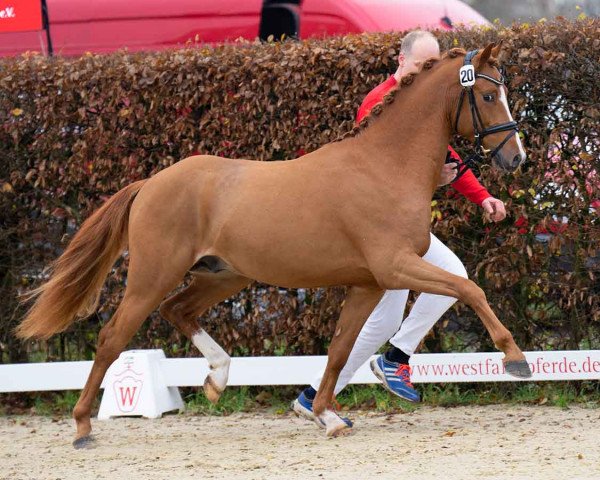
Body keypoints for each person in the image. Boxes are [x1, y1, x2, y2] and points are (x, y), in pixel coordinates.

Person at [292, 30, 508, 428]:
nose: (426, 71)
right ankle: (387, 362)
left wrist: (481, 197)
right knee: (434, 291)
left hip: (397, 231)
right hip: (377, 233)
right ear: (400, 60)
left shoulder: (423, 103)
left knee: (396, 315)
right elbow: (376, 173)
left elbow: (446, 158)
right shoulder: (381, 102)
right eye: (421, 64)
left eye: (432, 65)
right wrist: (436, 179)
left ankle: (321, 393)